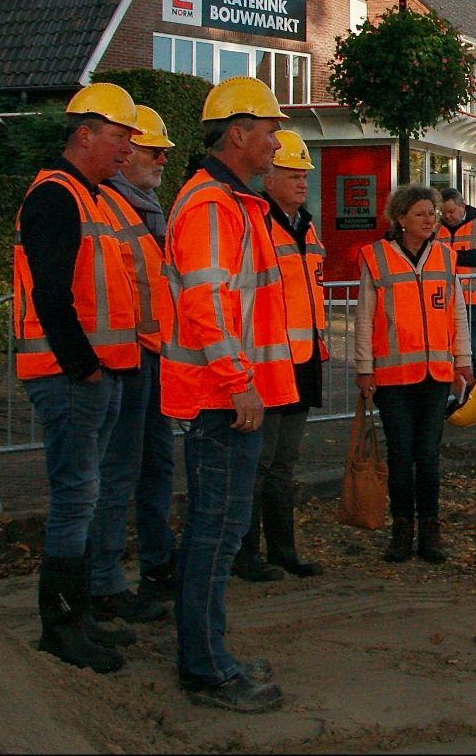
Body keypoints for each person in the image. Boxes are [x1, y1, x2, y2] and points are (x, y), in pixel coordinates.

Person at [162, 76, 296, 713]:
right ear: (237, 134)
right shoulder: (214, 205)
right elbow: (206, 301)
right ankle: (207, 669)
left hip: (228, 396)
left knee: (219, 529)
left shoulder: (230, 201)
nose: (277, 142)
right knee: (215, 532)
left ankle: (209, 654)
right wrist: (239, 380)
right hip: (221, 399)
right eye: (269, 131)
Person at [13, 82, 143, 674]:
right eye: (119, 138)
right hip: (72, 378)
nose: (126, 150)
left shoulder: (88, 197)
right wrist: (85, 367)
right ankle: (61, 628)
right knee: (76, 497)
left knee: (84, 498)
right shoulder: (58, 197)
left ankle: (79, 615)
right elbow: (50, 294)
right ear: (84, 134)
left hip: (91, 376)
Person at [89, 104, 178, 624]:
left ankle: (156, 561)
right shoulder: (111, 208)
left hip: (151, 354)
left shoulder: (147, 207)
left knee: (155, 466)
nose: (161, 159)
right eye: (152, 150)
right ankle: (103, 580)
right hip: (125, 359)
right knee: (118, 471)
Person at [355, 184, 474, 565]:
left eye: (433, 213)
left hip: (435, 374)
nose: (429, 220)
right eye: (421, 213)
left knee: (428, 456)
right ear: (401, 218)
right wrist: (363, 368)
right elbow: (363, 318)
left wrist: (463, 360)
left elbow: (457, 312)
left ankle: (430, 532)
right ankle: (401, 531)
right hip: (392, 377)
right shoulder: (375, 258)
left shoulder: (445, 257)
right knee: (401, 456)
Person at [233, 131, 327, 582]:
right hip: (268, 362)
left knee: (284, 463)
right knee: (260, 461)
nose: (302, 182)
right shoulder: (255, 222)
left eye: (304, 175)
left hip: (302, 360)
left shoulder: (305, 225)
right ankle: (246, 552)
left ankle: (282, 549)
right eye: (292, 174)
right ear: (268, 178)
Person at [436, 187, 476, 388]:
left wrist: (453, 257)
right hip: (444, 299)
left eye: (451, 212)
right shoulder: (437, 228)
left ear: (462, 206)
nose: (447, 216)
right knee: (446, 350)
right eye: (443, 213)